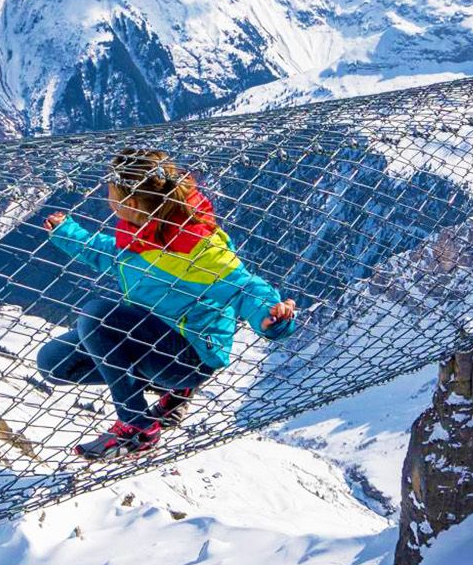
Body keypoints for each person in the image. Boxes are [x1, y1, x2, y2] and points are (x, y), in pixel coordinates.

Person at [37, 147, 297, 461]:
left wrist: (270, 315)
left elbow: (244, 286)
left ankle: (137, 426)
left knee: (96, 316)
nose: (107, 198)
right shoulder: (139, 234)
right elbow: (108, 254)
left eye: (110, 193)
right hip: (149, 339)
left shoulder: (195, 246)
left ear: (131, 204)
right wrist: (67, 233)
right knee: (53, 363)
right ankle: (170, 391)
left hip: (188, 356)